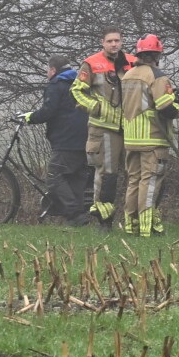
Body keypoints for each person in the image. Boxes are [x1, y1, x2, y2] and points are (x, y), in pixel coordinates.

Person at [119, 34, 179, 237]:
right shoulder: (157, 76)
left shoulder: (128, 75)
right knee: (150, 182)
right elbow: (165, 107)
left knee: (133, 181)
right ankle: (146, 229)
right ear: (157, 55)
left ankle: (131, 225)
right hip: (152, 137)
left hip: (131, 138)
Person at [71, 29, 135, 227]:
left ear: (122, 42)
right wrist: (95, 107)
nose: (114, 44)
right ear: (103, 42)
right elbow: (76, 91)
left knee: (134, 174)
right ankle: (104, 221)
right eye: (110, 41)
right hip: (103, 127)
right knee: (107, 175)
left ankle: (133, 220)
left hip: (131, 127)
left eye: (117, 40)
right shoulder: (91, 63)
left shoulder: (132, 61)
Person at [20, 57, 91, 224]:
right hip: (85, 137)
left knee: (54, 177)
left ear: (53, 70)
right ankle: (78, 218)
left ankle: (74, 213)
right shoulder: (80, 83)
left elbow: (48, 111)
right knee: (75, 177)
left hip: (66, 139)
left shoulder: (56, 85)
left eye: (48, 70)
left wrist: (30, 117)